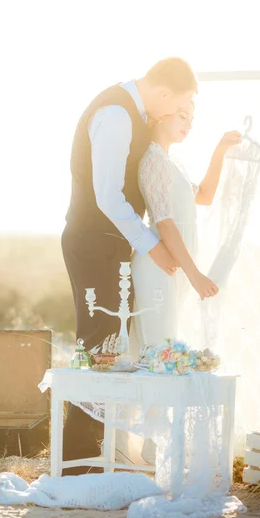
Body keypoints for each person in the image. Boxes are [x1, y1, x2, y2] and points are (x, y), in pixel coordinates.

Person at [61, 57, 198, 475]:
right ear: (161, 93)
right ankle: (77, 462)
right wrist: (150, 243)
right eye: (178, 105)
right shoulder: (116, 115)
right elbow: (106, 195)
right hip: (92, 240)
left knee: (113, 345)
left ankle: (103, 451)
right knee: (99, 344)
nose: (174, 115)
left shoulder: (133, 115)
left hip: (112, 245)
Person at [128, 102, 241, 464]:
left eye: (192, 120)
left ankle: (154, 438)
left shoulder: (172, 161)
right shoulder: (152, 160)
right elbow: (165, 223)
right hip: (160, 267)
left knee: (165, 346)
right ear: (161, 113)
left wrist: (220, 150)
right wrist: (195, 274)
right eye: (182, 117)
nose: (188, 125)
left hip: (175, 268)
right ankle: (150, 444)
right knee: (157, 349)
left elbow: (204, 196)